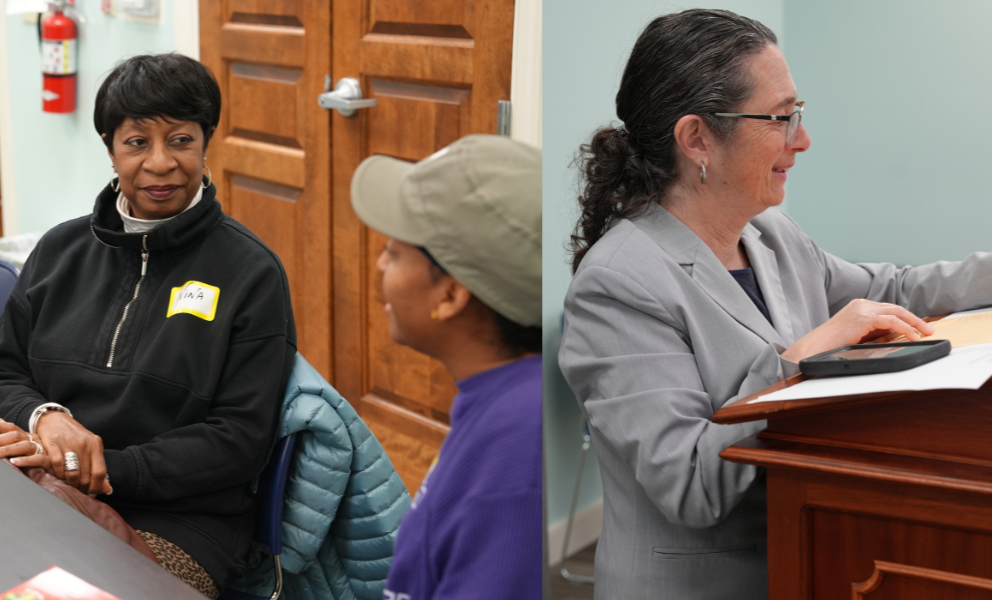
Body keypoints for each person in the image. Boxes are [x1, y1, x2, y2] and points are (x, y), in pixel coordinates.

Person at [558, 9, 992, 599]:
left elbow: (893, 291)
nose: (802, 140)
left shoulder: (769, 234)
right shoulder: (616, 285)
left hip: (810, 556)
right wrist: (802, 361)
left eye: (799, 115)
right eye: (782, 118)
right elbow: (690, 483)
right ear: (697, 139)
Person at [0, 53, 295, 598]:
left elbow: (239, 439)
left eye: (181, 140)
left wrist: (100, 468)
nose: (161, 163)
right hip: (40, 488)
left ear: (206, 141)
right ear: (110, 146)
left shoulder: (251, 272)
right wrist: (45, 419)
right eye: (137, 142)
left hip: (182, 526)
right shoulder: (60, 250)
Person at [350, 136, 543, 600]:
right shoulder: (503, 401)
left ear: (451, 296)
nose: (379, 264)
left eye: (394, 253)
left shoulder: (517, 450)